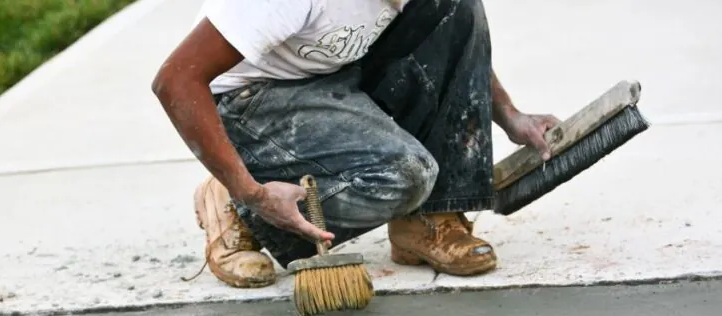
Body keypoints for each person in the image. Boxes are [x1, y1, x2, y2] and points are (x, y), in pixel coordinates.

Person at [152, 0, 559, 289]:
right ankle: (235, 208)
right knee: (403, 175)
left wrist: (509, 115)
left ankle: (427, 218)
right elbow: (176, 80)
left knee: (454, 6)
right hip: (250, 102)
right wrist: (249, 192)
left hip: (330, 75)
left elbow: (446, 39)